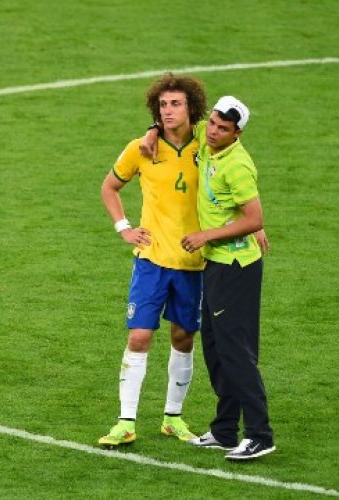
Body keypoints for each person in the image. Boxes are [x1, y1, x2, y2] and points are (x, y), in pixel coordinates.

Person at [144, 95, 276, 460]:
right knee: (216, 351)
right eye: (214, 124)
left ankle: (260, 434)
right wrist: (151, 131)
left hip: (236, 268)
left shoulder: (237, 166)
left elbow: (255, 218)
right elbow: (176, 127)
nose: (215, 132)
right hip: (216, 265)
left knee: (236, 352)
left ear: (238, 133)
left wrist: (205, 236)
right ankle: (224, 430)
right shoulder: (205, 134)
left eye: (224, 129)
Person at [97, 73, 208, 449]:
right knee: (140, 335)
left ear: (192, 108)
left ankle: (172, 417)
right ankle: (125, 422)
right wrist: (124, 227)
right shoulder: (141, 148)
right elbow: (109, 187)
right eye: (162, 105)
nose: (168, 111)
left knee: (183, 337)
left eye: (176, 104)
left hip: (193, 263)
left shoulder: (207, 145)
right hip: (151, 260)